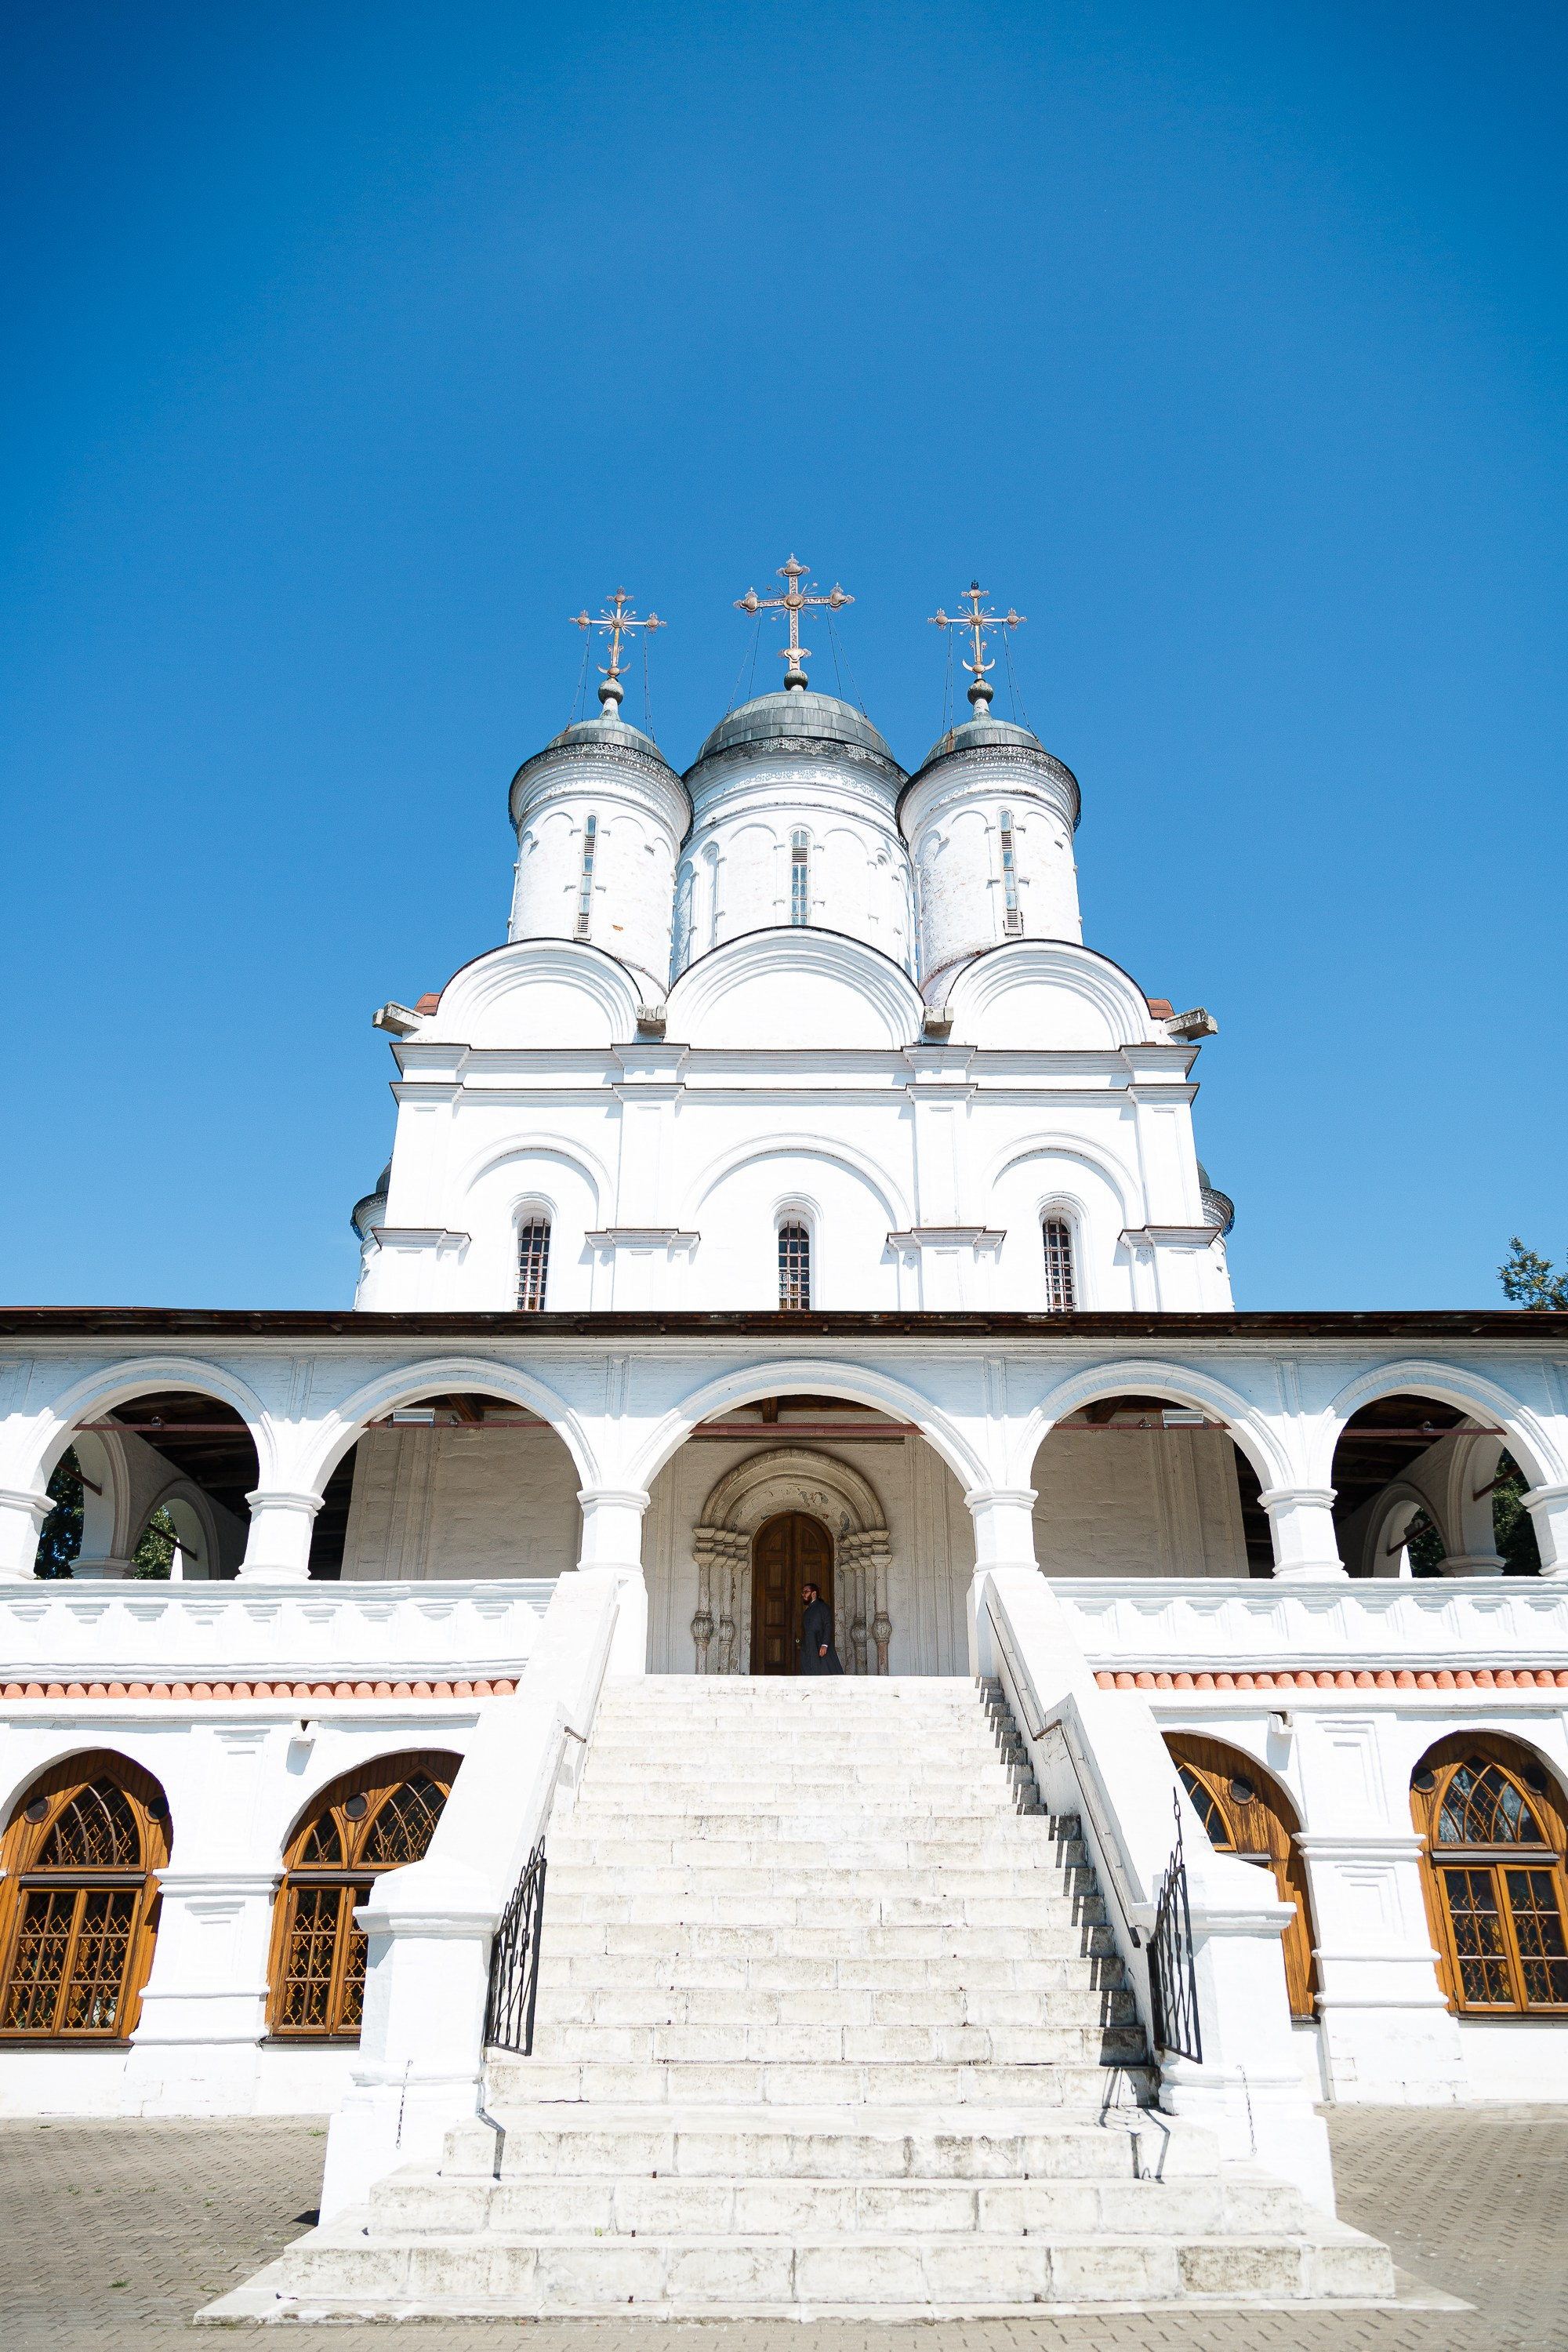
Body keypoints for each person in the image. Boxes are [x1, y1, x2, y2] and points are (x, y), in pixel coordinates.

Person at [798, 1581, 843, 1675]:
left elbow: (828, 1625)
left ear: (814, 1593)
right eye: (803, 1593)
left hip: (820, 1646)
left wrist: (825, 1645)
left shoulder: (823, 1607)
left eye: (805, 1592)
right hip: (809, 1647)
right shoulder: (807, 1612)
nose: (803, 1595)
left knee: (824, 1671)